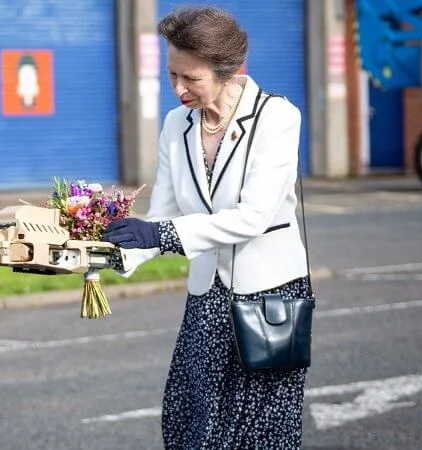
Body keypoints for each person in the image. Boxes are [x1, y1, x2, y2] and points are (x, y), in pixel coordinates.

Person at [102, 5, 311, 449]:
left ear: (227, 71)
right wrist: (103, 253)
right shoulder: (176, 125)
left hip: (269, 297)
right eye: (172, 75)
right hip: (208, 300)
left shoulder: (277, 118)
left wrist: (164, 235)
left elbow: (253, 217)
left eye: (190, 78)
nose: (177, 89)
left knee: (260, 431)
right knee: (190, 422)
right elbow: (161, 215)